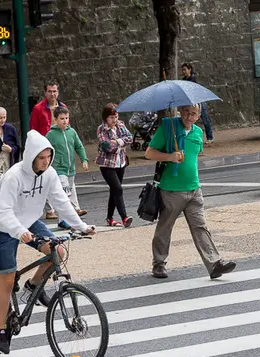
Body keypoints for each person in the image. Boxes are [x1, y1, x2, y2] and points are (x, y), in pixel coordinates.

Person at [0, 130, 96, 355]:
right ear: (31, 157)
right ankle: (0, 331)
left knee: (57, 251)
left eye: (49, 157)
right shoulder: (13, 176)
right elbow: (4, 210)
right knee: (7, 281)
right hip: (5, 226)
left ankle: (32, 286)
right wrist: (19, 231)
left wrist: (81, 226)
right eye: (41, 158)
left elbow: (61, 202)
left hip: (29, 221)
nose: (46, 162)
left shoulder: (50, 174)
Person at [145, 104, 236, 280]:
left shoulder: (197, 132)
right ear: (180, 111)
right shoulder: (167, 128)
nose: (189, 116)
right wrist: (170, 156)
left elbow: (195, 155)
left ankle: (214, 264)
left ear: (199, 115)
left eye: (193, 113)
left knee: (200, 226)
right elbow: (149, 153)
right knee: (165, 228)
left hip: (194, 189)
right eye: (186, 111)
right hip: (171, 190)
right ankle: (158, 264)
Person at [45, 106, 89, 229]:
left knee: (68, 192)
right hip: (59, 169)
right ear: (55, 119)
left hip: (71, 169)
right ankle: (65, 219)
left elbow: (79, 146)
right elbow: (45, 149)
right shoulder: (51, 134)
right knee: (65, 194)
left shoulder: (72, 132)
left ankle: (67, 216)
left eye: (66, 118)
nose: (65, 121)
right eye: (61, 118)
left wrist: (84, 159)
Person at [29, 81, 66, 219]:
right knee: (44, 176)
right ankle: (49, 209)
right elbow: (33, 128)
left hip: (59, 146)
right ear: (45, 92)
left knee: (60, 177)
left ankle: (63, 207)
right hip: (44, 147)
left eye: (55, 91)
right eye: (50, 91)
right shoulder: (38, 108)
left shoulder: (62, 107)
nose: (52, 94)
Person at [95, 103, 133, 227]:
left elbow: (130, 138)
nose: (114, 120)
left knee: (114, 190)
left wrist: (117, 141)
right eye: (111, 117)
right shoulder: (101, 129)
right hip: (107, 163)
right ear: (106, 118)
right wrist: (120, 143)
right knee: (118, 188)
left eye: (115, 117)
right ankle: (124, 217)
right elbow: (107, 147)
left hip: (120, 162)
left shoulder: (120, 125)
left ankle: (109, 218)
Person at [180, 63, 214, 144]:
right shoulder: (184, 79)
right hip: (191, 102)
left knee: (205, 119)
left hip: (199, 101)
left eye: (185, 69)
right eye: (182, 70)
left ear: (189, 70)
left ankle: (210, 137)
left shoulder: (193, 79)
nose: (183, 71)